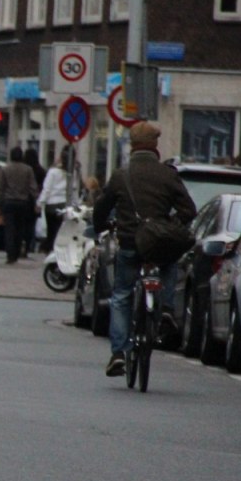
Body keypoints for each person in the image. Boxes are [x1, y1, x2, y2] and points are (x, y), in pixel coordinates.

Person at [92, 121, 197, 378]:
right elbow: (189, 211)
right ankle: (167, 310)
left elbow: (101, 208)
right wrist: (168, 225)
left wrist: (101, 226)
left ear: (133, 146)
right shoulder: (168, 174)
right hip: (159, 245)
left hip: (129, 243)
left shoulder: (121, 176)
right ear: (154, 146)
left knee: (122, 296)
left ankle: (118, 353)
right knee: (170, 263)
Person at [0, 146, 39, 264]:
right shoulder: (28, 169)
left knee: (9, 228)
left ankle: (10, 254)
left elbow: (0, 188)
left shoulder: (5, 169)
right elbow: (33, 187)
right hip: (23, 202)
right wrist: (36, 201)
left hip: (9, 202)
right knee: (20, 228)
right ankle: (17, 251)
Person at [36, 146, 73, 254]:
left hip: (51, 204)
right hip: (63, 204)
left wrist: (40, 202)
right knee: (59, 229)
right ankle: (56, 249)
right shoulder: (70, 173)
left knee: (51, 229)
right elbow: (72, 190)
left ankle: (50, 248)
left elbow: (47, 189)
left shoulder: (53, 172)